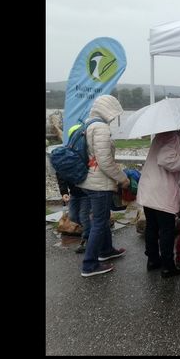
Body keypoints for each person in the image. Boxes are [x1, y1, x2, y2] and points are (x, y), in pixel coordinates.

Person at [77, 95, 131, 277]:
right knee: (99, 222)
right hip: (99, 183)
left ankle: (106, 250)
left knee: (102, 218)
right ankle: (89, 264)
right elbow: (105, 161)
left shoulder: (89, 124)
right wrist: (123, 178)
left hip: (90, 179)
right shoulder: (100, 128)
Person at [135, 129, 180, 278]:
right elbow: (166, 160)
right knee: (167, 229)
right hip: (161, 190)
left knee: (152, 226)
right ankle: (168, 266)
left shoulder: (161, 136)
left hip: (149, 188)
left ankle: (153, 260)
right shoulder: (172, 137)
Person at [56, 123, 92, 253]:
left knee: (83, 216)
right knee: (73, 216)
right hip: (75, 193)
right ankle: (95, 233)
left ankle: (86, 240)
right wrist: (64, 192)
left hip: (87, 192)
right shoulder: (67, 153)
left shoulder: (87, 152)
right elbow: (60, 174)